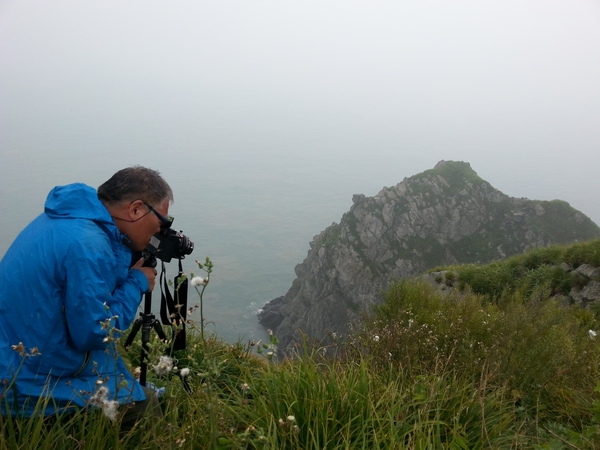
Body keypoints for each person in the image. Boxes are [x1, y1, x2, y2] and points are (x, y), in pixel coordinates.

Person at [0, 166, 171, 427]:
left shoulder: (67, 218)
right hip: (22, 379)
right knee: (146, 407)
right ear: (136, 209)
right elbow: (95, 333)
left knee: (122, 373)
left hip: (13, 349)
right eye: (161, 221)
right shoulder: (89, 244)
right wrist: (136, 282)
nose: (159, 232)